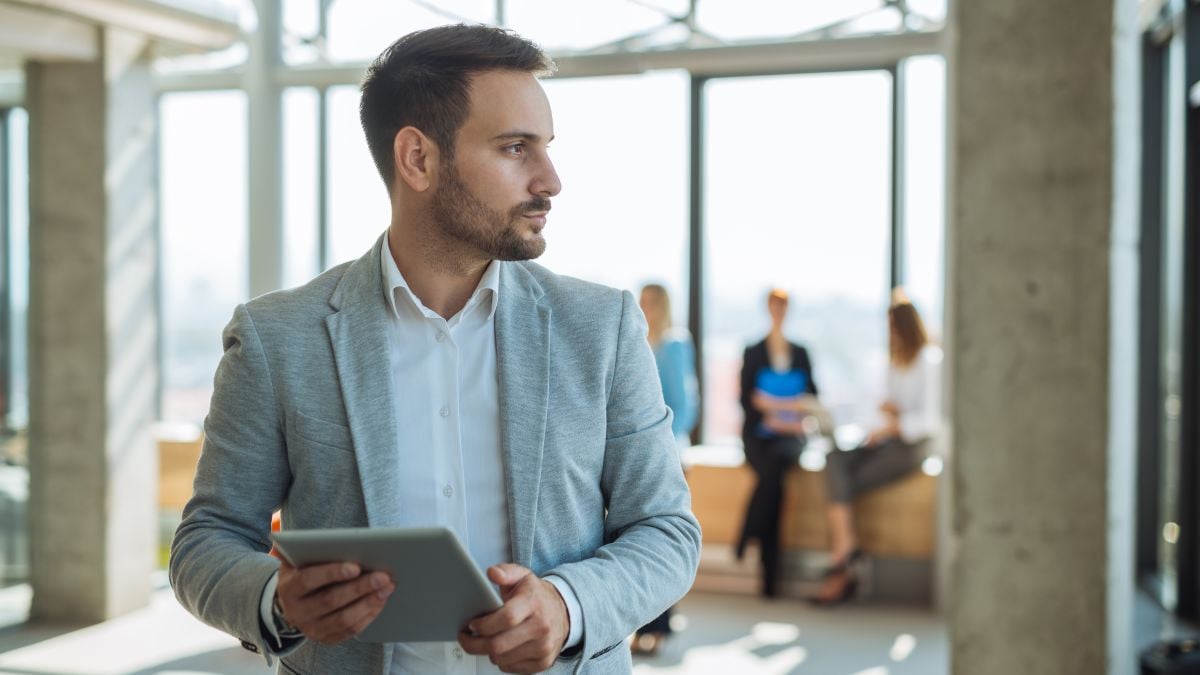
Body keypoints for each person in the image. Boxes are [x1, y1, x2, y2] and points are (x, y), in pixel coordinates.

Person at [170, 25, 701, 675]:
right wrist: (276, 600)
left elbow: (667, 530)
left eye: (547, 148)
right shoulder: (277, 338)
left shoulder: (603, 326)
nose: (551, 179)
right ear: (418, 159)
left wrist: (568, 605)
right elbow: (206, 541)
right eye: (515, 148)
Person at [812, 290, 942, 606]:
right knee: (835, 459)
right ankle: (847, 551)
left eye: (893, 327)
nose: (890, 334)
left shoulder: (929, 362)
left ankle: (842, 561)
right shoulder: (890, 363)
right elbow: (882, 408)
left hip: (913, 445)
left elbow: (930, 420)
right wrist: (880, 426)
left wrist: (896, 422)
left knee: (840, 485)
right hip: (885, 438)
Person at [736, 288, 818, 598]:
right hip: (759, 436)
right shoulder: (754, 351)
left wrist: (775, 409)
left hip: (791, 437)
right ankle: (771, 579)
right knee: (774, 480)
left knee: (775, 469)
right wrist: (780, 409)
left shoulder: (801, 352)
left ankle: (747, 533)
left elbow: (812, 398)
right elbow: (747, 399)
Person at [632, 283, 699, 655]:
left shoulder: (674, 344)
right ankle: (640, 623)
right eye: (643, 301)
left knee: (661, 539)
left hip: (668, 456)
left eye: (653, 302)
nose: (647, 308)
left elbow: (685, 406)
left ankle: (661, 625)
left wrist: (662, 448)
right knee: (633, 540)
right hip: (635, 456)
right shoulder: (635, 339)